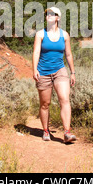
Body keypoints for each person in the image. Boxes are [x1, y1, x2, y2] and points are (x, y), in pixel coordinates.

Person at [32, 7, 77, 143]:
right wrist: (34, 69)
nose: (49, 15)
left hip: (60, 70)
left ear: (58, 18)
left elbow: (68, 54)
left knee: (64, 99)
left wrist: (73, 72)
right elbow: (36, 53)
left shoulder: (65, 35)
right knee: (45, 103)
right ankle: (46, 131)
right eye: (47, 14)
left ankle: (67, 132)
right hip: (43, 72)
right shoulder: (40, 34)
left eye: (53, 14)